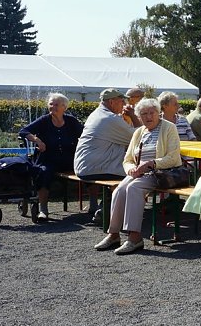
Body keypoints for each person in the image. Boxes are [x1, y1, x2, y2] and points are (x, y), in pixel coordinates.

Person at [93, 98, 183, 254]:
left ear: (158, 113)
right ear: (139, 117)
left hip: (159, 173)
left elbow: (174, 158)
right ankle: (113, 234)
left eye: (152, 113)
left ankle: (134, 238)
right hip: (139, 172)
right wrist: (130, 169)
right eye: (144, 114)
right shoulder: (138, 132)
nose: (148, 117)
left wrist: (151, 164)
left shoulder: (169, 128)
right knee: (119, 190)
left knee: (133, 188)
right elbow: (127, 160)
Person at [74, 88, 139, 221]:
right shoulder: (109, 118)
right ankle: (107, 209)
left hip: (86, 165)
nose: (124, 104)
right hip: (93, 167)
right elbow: (139, 137)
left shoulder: (97, 114)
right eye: (121, 101)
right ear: (111, 102)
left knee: (130, 171)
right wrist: (133, 116)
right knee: (137, 174)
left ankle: (105, 207)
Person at [18, 92, 84, 220]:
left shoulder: (71, 121)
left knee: (88, 167)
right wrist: (37, 140)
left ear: (64, 107)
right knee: (43, 172)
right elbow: (23, 131)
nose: (53, 106)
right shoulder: (44, 121)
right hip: (48, 159)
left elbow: (85, 133)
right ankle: (43, 210)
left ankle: (93, 206)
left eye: (56, 104)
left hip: (69, 158)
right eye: (51, 104)